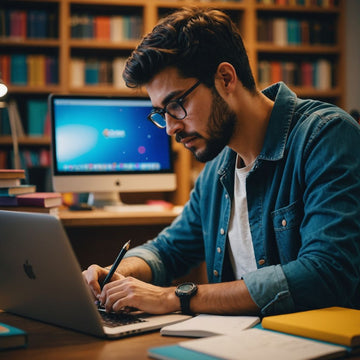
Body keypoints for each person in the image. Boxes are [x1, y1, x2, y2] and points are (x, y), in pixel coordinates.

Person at [83, 7, 360, 317]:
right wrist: (119, 273)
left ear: (226, 78)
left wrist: (175, 297)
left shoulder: (325, 135)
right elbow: (168, 249)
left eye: (177, 104)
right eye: (162, 114)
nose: (171, 127)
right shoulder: (216, 171)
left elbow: (326, 274)